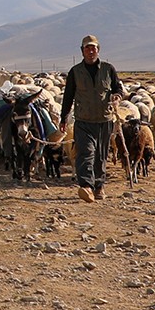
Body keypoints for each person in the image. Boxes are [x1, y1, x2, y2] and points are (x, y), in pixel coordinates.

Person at [58, 34, 123, 202]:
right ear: (82, 51)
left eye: (93, 47)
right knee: (85, 153)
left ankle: (99, 186)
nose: (90, 51)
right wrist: (63, 118)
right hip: (83, 120)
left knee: (100, 155)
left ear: (98, 50)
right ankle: (86, 186)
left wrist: (117, 96)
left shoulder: (108, 69)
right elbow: (68, 96)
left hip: (104, 120)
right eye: (87, 48)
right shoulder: (75, 72)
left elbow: (118, 88)